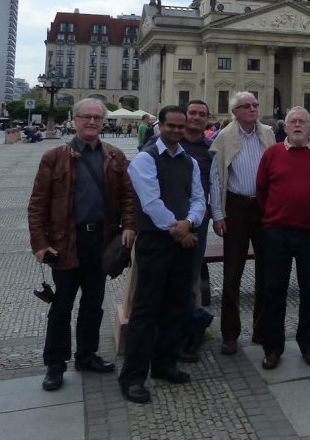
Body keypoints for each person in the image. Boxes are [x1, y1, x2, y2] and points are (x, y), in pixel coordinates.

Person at [27, 99, 137, 393]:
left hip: (100, 241)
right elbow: (37, 204)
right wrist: (40, 243)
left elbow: (128, 195)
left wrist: (129, 225)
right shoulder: (54, 157)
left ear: (103, 123)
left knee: (93, 304)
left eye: (96, 118)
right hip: (66, 241)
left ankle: (86, 355)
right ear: (74, 120)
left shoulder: (114, 155)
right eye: (85, 117)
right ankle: (55, 364)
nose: (91, 122)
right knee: (61, 305)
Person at [119, 105, 205, 404]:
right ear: (160, 125)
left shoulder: (190, 161)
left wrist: (190, 222)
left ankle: (164, 364)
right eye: (172, 126)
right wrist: (179, 228)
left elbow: (198, 199)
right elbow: (151, 201)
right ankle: (132, 377)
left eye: (181, 127)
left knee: (175, 306)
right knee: (145, 311)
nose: (177, 131)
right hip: (156, 243)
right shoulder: (145, 159)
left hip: (182, 241)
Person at [256, 107, 310, 370]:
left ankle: (309, 345)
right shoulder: (272, 154)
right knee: (273, 291)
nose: (298, 125)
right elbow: (262, 190)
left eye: (303, 121)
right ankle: (272, 348)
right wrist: (276, 215)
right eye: (293, 121)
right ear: (285, 127)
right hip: (278, 232)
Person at [209, 91, 276, 355]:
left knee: (266, 271)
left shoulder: (268, 133)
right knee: (232, 273)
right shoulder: (224, 137)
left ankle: (261, 329)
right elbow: (215, 177)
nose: (252, 109)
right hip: (236, 207)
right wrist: (217, 214)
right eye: (245, 106)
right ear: (234, 112)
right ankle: (230, 334)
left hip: (263, 206)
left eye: (255, 105)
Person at [177, 100, 215, 361]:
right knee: (164, 277)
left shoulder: (212, 150)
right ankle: (195, 320)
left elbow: (217, 184)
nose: (197, 118)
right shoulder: (166, 142)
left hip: (197, 223)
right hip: (165, 222)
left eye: (202, 114)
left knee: (189, 277)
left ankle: (188, 333)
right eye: (193, 113)